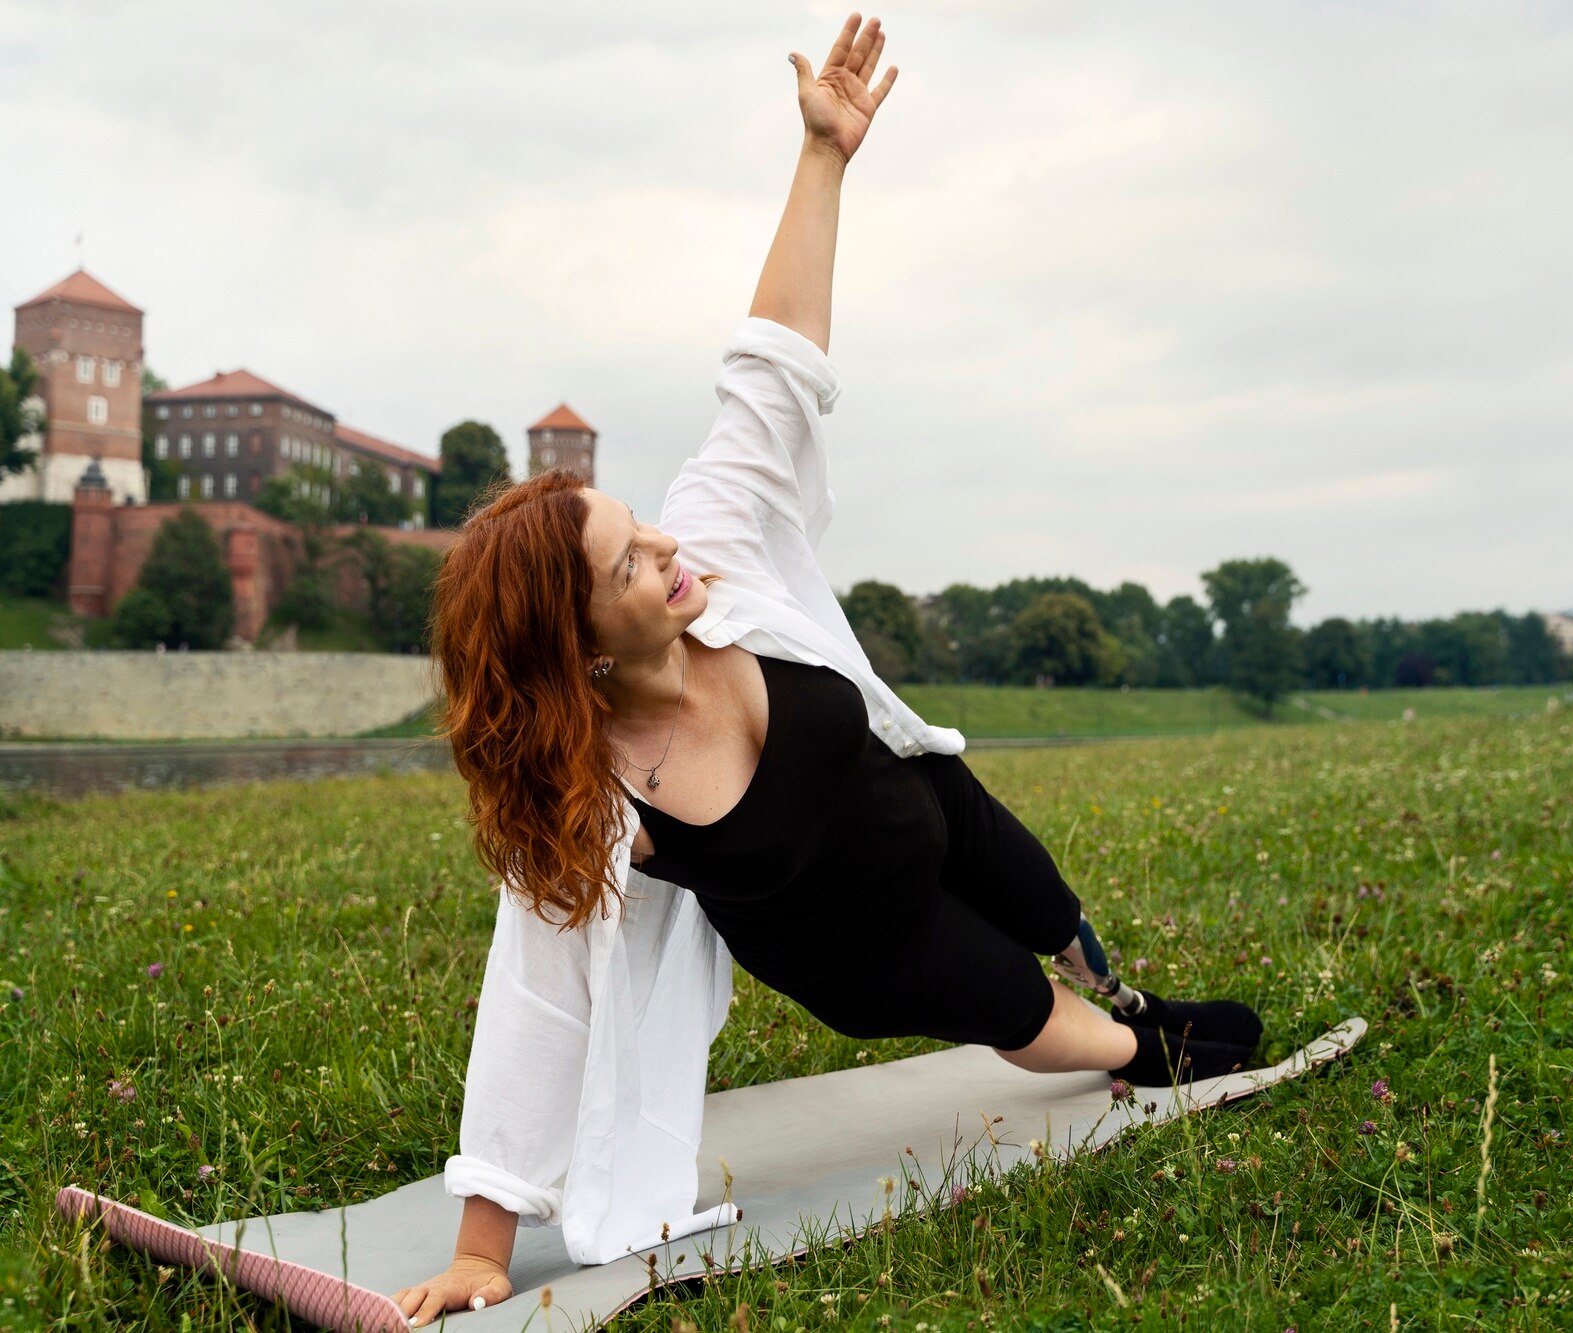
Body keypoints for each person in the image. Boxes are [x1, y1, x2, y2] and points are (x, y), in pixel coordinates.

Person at [393, 15, 1262, 1325]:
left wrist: (823, 158)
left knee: (1045, 898)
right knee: (1041, 1017)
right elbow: (533, 1012)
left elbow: (772, 369)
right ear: (582, 650)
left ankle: (1121, 982)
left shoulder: (717, 555)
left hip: (928, 799)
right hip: (874, 947)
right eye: (631, 564)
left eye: (642, 525)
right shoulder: (591, 806)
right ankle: (1136, 1041)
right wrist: (481, 1249)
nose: (668, 550)